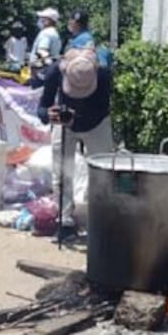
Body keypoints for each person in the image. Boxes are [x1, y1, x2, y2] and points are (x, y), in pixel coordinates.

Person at [36, 47, 113, 240]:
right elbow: (42, 107)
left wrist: (75, 121)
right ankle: (65, 220)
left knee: (105, 170)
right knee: (61, 170)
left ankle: (102, 217)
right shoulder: (55, 71)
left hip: (97, 123)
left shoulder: (104, 75)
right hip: (64, 124)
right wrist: (49, 115)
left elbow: (101, 109)